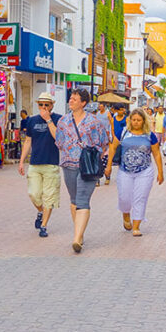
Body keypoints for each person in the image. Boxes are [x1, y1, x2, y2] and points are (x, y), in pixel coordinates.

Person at [55, 87, 109, 253]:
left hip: (88, 167)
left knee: (83, 199)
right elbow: (59, 142)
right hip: (68, 165)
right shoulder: (63, 121)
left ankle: (77, 239)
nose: (71, 101)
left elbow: (104, 142)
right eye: (71, 98)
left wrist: (94, 156)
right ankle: (79, 231)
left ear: (83, 103)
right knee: (74, 199)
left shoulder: (94, 122)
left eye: (75, 99)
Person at [105, 108, 163, 236]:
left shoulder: (149, 135)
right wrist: (108, 166)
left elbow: (157, 154)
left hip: (145, 171)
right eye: (134, 120)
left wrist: (160, 172)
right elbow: (113, 148)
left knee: (140, 198)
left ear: (143, 121)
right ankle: (126, 214)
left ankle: (136, 226)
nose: (136, 122)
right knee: (124, 197)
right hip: (125, 171)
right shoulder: (123, 132)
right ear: (130, 120)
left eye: (139, 120)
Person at [18, 92, 62, 237]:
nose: (43, 107)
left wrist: (48, 120)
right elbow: (28, 141)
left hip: (51, 163)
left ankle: (44, 225)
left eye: (46, 104)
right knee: (34, 194)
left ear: (52, 105)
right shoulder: (32, 120)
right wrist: (21, 161)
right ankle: (40, 211)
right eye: (41, 104)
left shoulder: (58, 119)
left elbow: (58, 138)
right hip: (35, 163)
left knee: (49, 196)